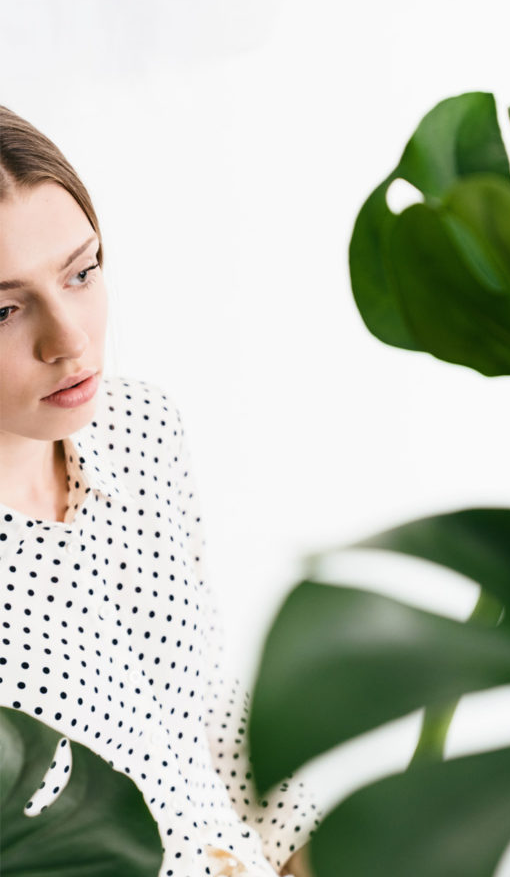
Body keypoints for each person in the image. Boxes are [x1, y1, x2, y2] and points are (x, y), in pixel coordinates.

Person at [0, 106, 317, 877]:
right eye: (3, 308)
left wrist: (307, 851)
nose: (69, 339)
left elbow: (205, 699)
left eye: (82, 271)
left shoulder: (138, 428)